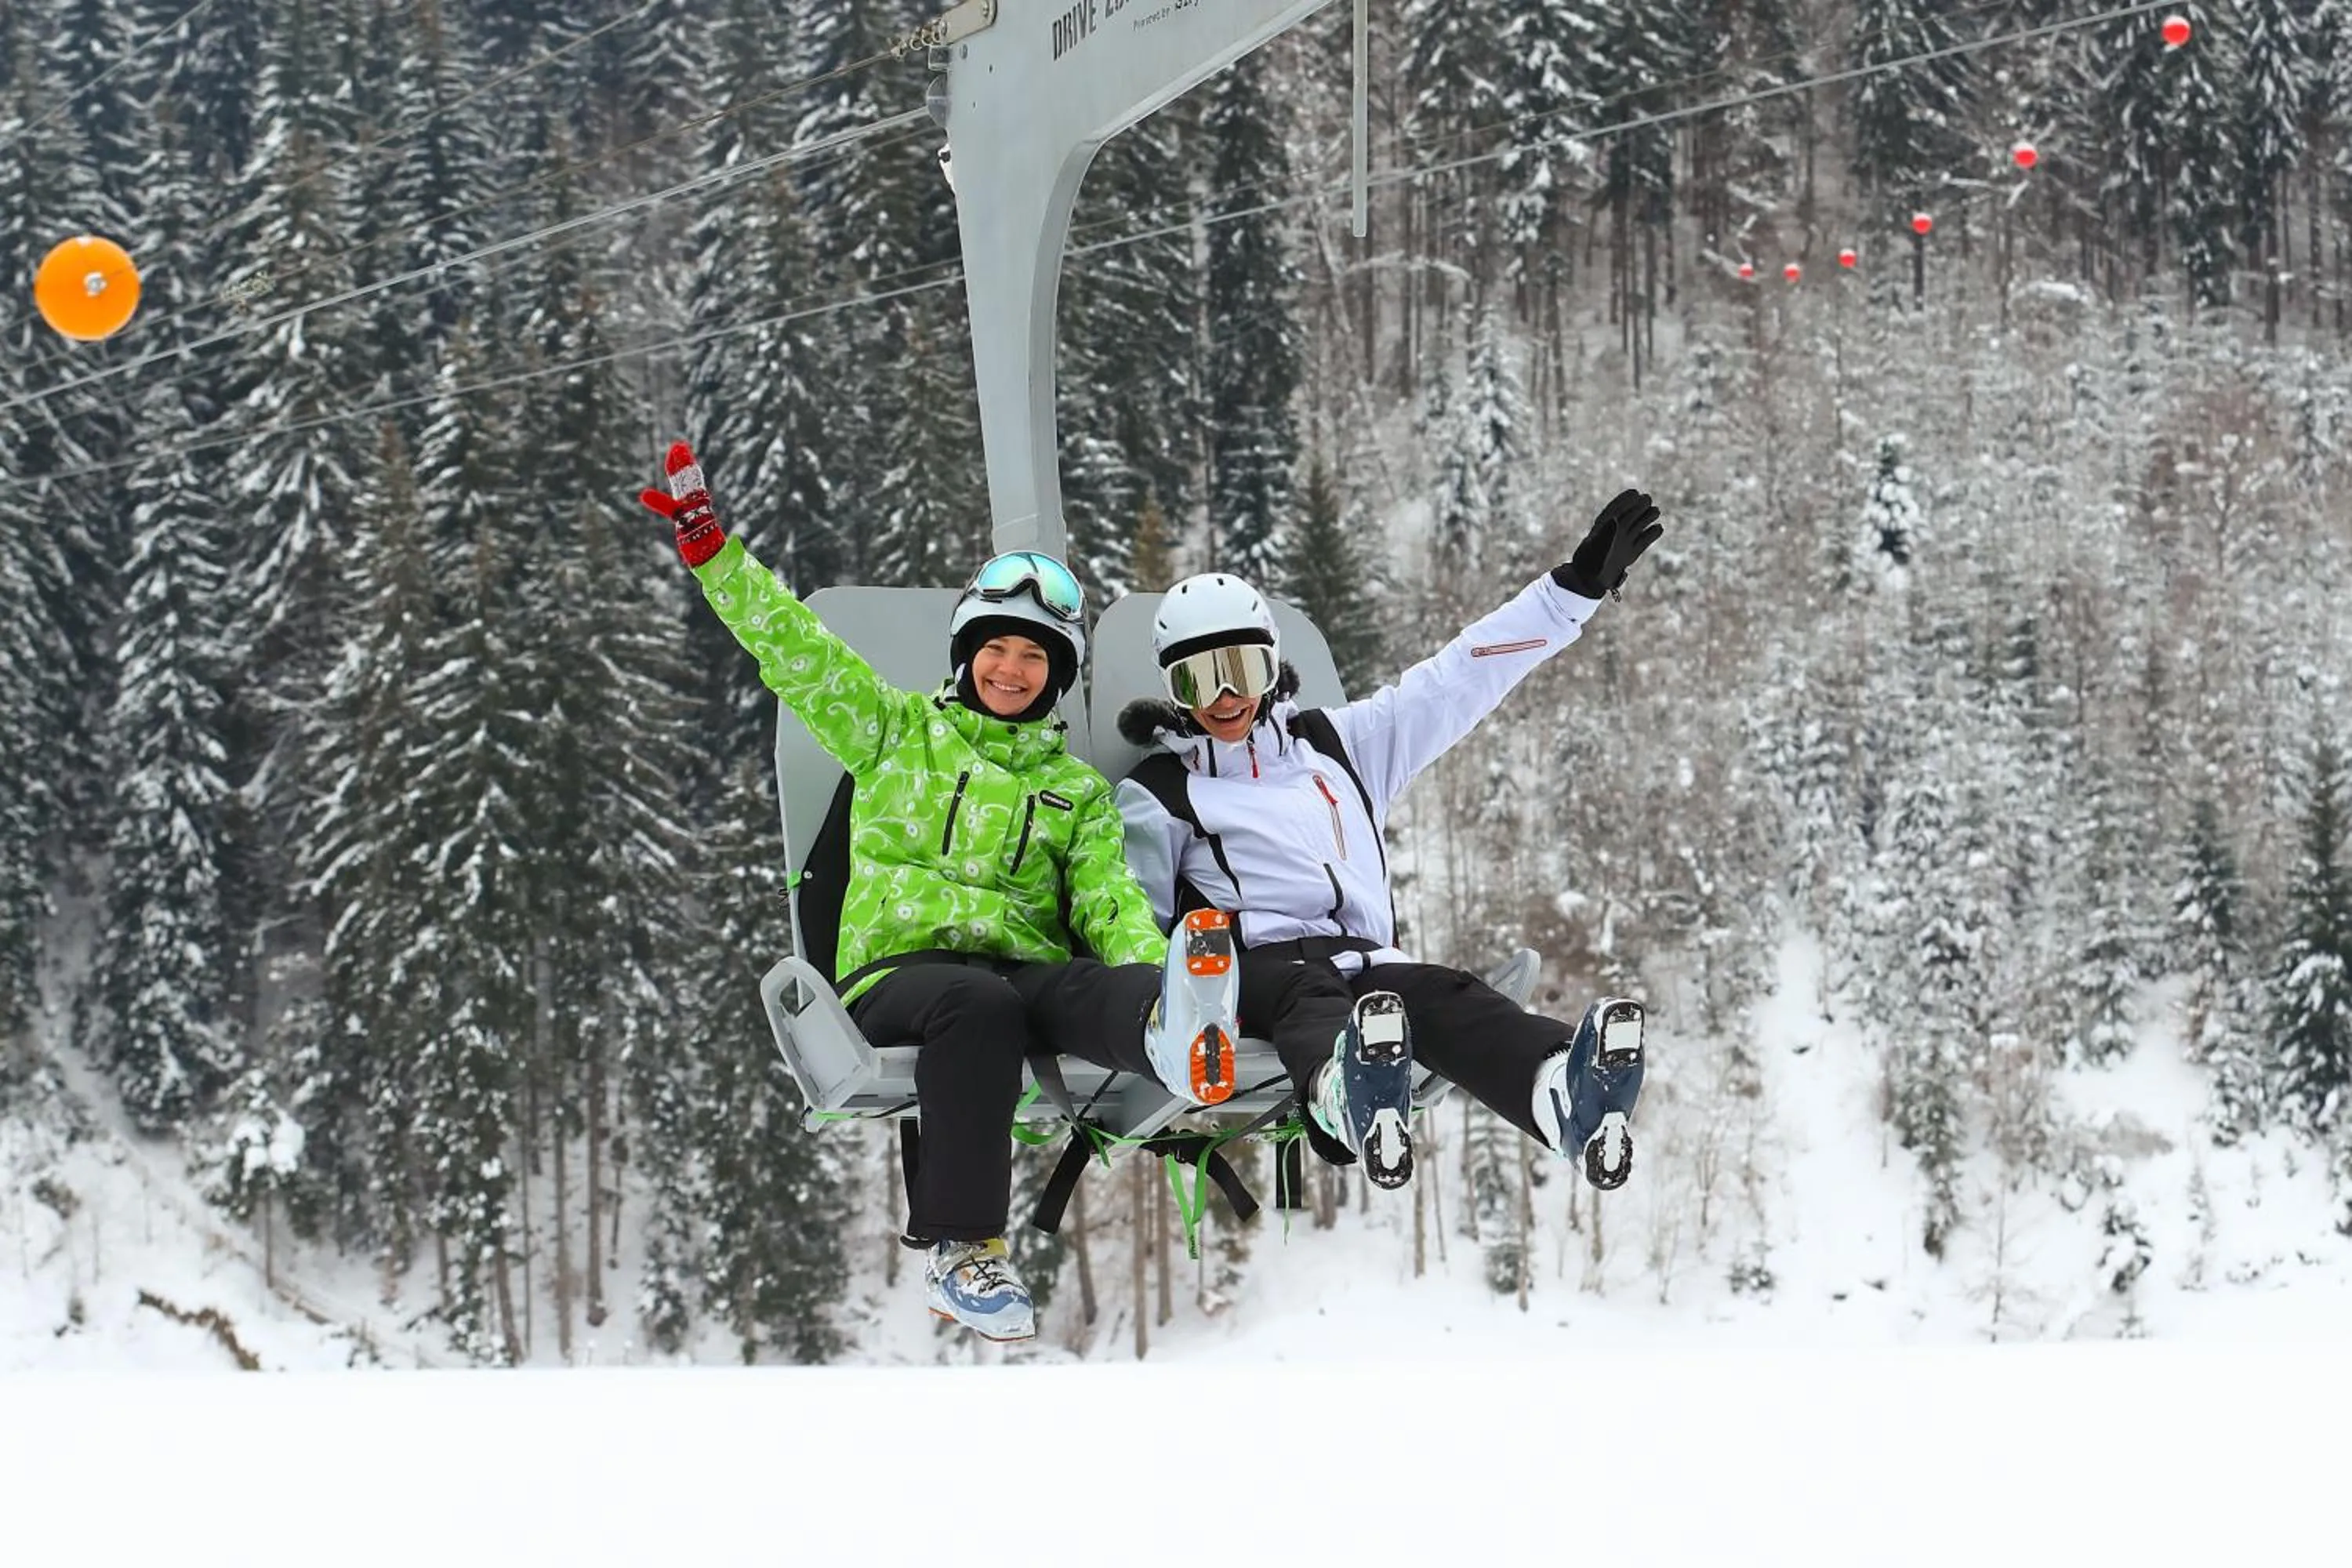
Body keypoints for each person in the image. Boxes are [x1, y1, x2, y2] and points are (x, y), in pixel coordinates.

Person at [639, 441, 1240, 1342]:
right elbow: (796, 653)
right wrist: (717, 558)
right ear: (967, 656)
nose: (1012, 667)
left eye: (1035, 657)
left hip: (1014, 980)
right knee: (979, 1002)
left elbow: (1110, 899)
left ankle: (1175, 1027)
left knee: (1083, 984)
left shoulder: (1072, 792)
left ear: (1058, 676)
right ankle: (963, 1248)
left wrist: (1146, 968)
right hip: (901, 978)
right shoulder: (892, 730)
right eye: (996, 647)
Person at [1114, 488, 1664, 1192]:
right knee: (1306, 995)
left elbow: (1455, 680)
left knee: (1443, 995)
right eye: (1200, 678)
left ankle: (1560, 1088)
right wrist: (1168, 1009)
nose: (1226, 697)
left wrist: (1572, 594)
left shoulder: (1335, 746)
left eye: (1243, 671)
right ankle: (1344, 1091)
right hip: (1250, 974)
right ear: (1174, 687)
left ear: (1270, 667)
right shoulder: (1160, 789)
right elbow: (1134, 923)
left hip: (1363, 963)